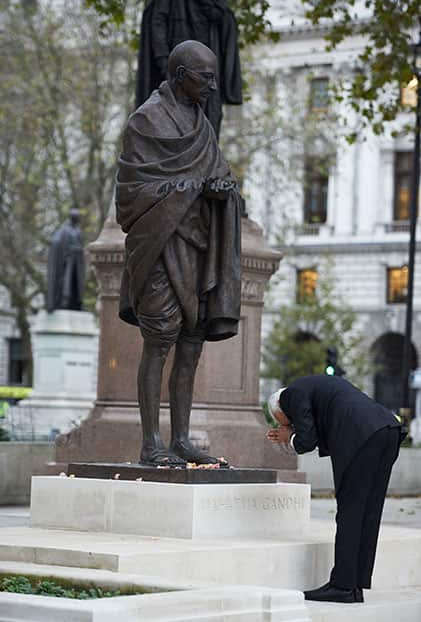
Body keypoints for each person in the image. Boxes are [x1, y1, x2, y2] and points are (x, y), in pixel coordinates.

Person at [116, 40, 242, 467]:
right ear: (179, 74)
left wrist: (224, 190)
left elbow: (218, 172)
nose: (211, 85)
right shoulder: (146, 120)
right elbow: (132, 195)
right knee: (159, 341)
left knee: (191, 344)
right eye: (204, 77)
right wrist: (192, 188)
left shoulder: (202, 125)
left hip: (197, 246)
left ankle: (181, 439)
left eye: (212, 77)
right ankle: (151, 443)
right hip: (159, 248)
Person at [267, 374, 405, 604]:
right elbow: (324, 430)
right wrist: (294, 434)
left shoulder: (292, 394)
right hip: (387, 430)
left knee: (350, 512)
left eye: (284, 421)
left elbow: (306, 441)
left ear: (279, 406)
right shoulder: (316, 389)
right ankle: (354, 584)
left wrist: (290, 436)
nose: (286, 425)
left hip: (362, 436)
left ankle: (342, 586)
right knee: (368, 512)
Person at [136, 0, 242, 137]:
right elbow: (157, 19)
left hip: (208, 67)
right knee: (173, 125)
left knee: (210, 121)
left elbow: (222, 16)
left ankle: (206, 157)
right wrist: (165, 64)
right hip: (179, 69)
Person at [46, 208, 85, 312]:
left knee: (76, 281)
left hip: (77, 260)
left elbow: (80, 244)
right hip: (68, 260)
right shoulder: (64, 230)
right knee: (66, 281)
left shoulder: (78, 230)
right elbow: (56, 242)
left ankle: (76, 302)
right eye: (76, 218)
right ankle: (64, 301)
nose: (78, 220)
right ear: (72, 218)